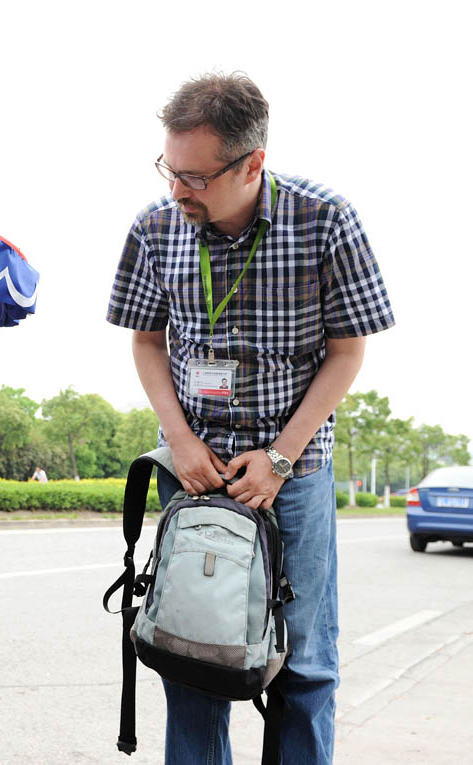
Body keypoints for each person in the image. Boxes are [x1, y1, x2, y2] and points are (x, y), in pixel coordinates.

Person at [106, 73, 394, 763]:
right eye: (169, 171)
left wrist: (282, 457)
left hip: (292, 475)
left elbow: (348, 351)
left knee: (304, 668)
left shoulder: (325, 219)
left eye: (196, 178)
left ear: (252, 163)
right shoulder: (154, 227)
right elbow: (146, 340)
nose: (178, 191)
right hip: (194, 470)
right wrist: (178, 439)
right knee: (192, 657)